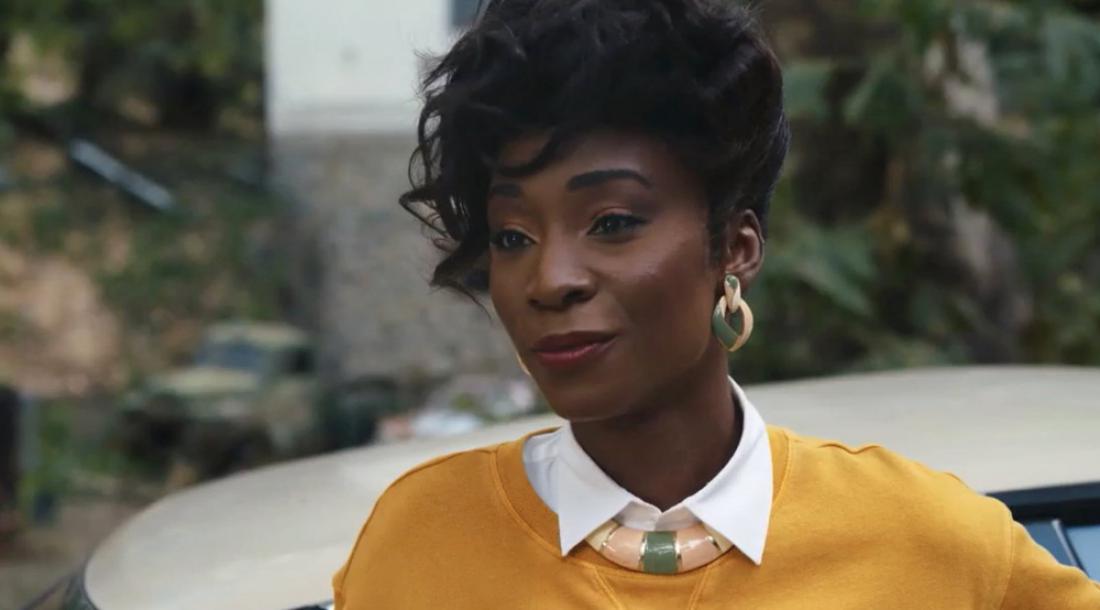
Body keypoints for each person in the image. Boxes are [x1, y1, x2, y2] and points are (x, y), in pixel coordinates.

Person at [333, 0, 1100, 607]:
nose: (550, 279)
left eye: (612, 222)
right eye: (512, 237)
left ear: (735, 248)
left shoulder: (931, 546)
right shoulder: (419, 547)